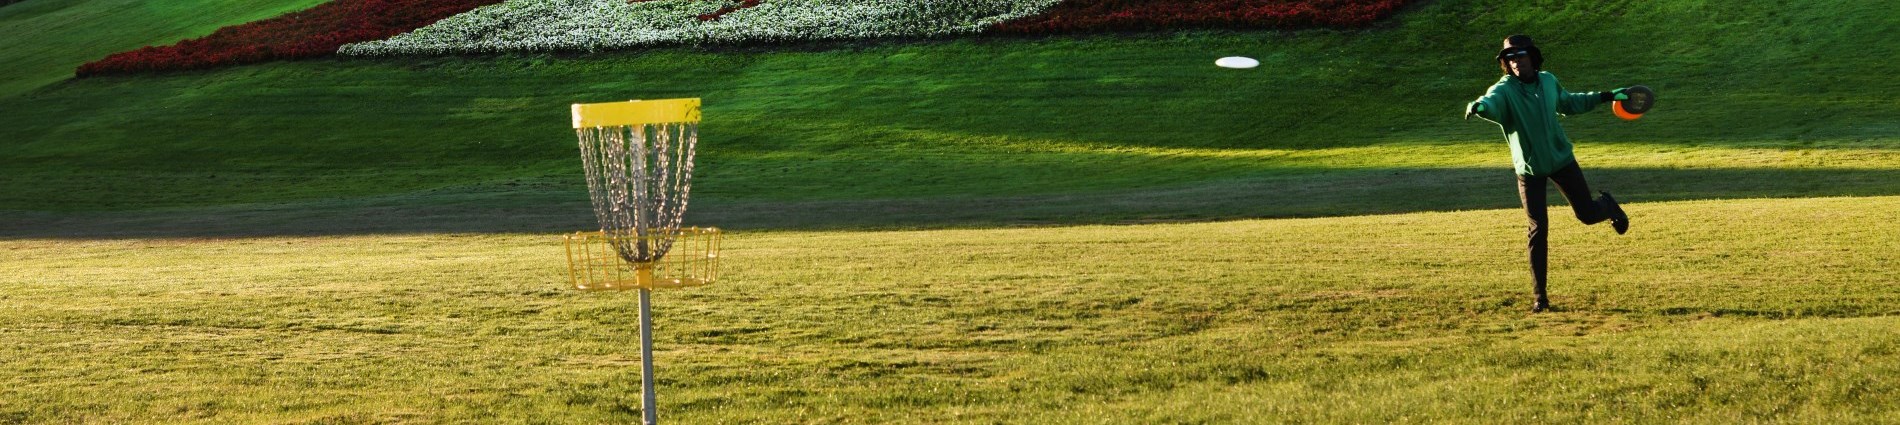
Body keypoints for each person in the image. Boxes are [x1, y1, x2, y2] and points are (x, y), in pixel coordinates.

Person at [1464, 35, 1631, 313]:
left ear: (1532, 56)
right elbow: (1490, 101)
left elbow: (1569, 102)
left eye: (1520, 56)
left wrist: (1607, 96)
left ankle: (1608, 205)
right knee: (1538, 230)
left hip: (1561, 160)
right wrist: (1479, 107)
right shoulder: (1505, 89)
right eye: (1510, 58)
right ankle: (1540, 297)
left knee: (1588, 215)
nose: (1515, 62)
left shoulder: (1549, 81)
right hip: (1529, 169)